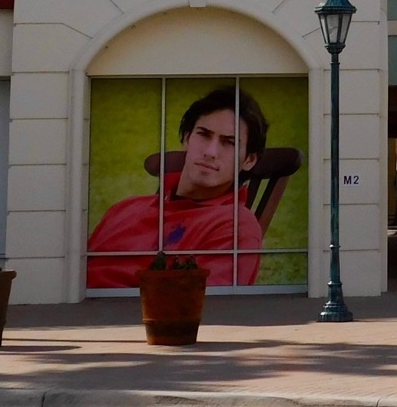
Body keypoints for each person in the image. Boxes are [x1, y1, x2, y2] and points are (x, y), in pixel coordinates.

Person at [87, 85, 269, 289]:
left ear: (249, 160)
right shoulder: (124, 210)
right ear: (186, 138)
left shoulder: (236, 226)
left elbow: (206, 308)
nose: (211, 152)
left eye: (229, 142)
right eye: (204, 134)